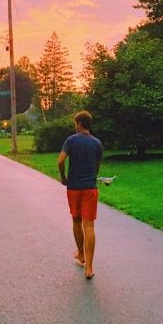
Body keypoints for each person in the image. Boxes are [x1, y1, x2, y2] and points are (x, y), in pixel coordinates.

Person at [57, 111, 103, 279]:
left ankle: (82, 255)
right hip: (90, 187)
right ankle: (89, 268)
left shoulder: (71, 140)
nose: (75, 126)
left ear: (80, 124)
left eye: (76, 123)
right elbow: (97, 166)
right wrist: (93, 177)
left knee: (76, 220)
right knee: (89, 226)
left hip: (74, 187)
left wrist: (63, 177)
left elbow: (60, 161)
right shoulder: (97, 143)